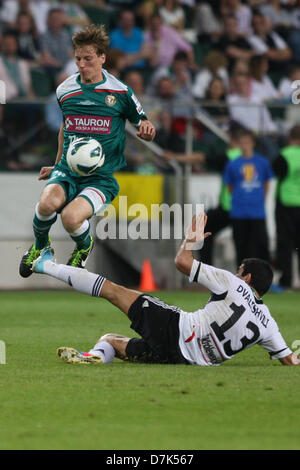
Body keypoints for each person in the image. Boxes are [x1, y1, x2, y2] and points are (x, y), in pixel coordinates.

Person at [31, 212, 300, 367]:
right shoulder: (268, 324)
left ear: (247, 277)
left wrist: (190, 240)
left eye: (239, 270)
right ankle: (97, 356)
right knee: (111, 339)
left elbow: (182, 262)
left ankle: (44, 265)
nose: (236, 274)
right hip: (184, 360)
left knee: (112, 290)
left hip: (178, 330)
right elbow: (289, 360)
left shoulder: (234, 284)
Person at [19, 23, 156, 278]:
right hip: (67, 170)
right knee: (47, 203)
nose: (82, 64)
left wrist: (148, 129)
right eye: (78, 58)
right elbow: (65, 127)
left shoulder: (121, 92)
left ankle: (84, 246)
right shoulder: (65, 90)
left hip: (101, 179)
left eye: (88, 58)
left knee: (71, 218)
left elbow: (144, 123)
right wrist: (57, 162)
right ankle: (40, 247)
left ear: (102, 58)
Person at [223, 129, 274, 267]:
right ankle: (241, 279)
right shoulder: (233, 164)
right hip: (239, 212)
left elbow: (267, 184)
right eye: (242, 143)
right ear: (239, 145)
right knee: (241, 248)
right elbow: (230, 187)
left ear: (253, 143)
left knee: (261, 246)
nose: (244, 145)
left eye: (247, 142)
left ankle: (263, 279)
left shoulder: (262, 162)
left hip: (257, 213)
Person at [273, 124, 300, 289]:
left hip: (286, 203)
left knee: (285, 244)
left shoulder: (284, 155)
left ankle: (286, 281)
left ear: (289, 137)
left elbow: (276, 173)